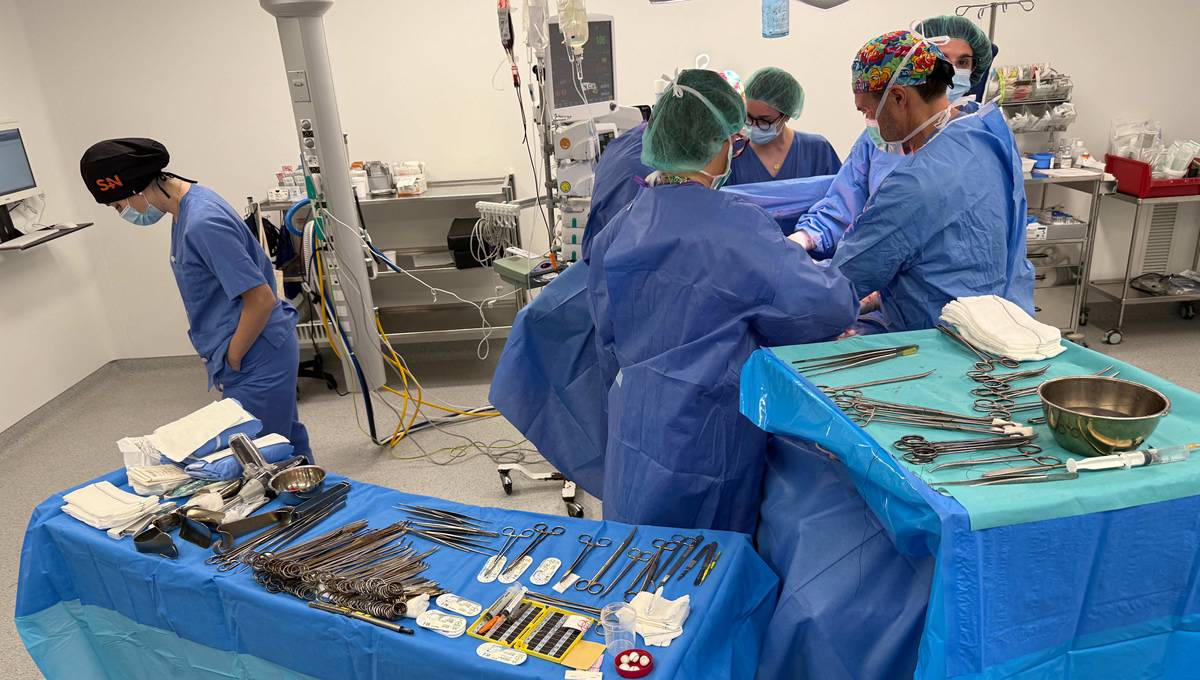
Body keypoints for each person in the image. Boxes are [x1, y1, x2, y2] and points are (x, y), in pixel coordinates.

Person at [587, 69, 858, 533]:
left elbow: (606, 334)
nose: (736, 149)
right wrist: (850, 295)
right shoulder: (735, 226)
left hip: (635, 424)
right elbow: (821, 306)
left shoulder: (621, 226)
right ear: (715, 144)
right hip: (706, 432)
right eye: (733, 140)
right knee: (709, 560)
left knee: (637, 552)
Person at [79, 138, 311, 459]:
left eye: (119, 206)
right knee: (285, 441)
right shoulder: (187, 207)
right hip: (256, 346)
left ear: (134, 188)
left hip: (256, 351)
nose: (124, 214)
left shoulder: (202, 223)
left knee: (260, 455)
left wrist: (234, 356)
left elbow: (260, 299)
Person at [489, 117, 653, 498]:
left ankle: (607, 473)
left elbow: (597, 238)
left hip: (605, 279)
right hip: (618, 286)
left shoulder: (626, 148)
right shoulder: (639, 161)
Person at [831, 31, 1033, 333]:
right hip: (1010, 324)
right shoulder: (987, 132)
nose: (869, 122)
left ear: (898, 97)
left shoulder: (914, 183)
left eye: (867, 111)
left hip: (941, 340)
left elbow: (842, 281)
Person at [790, 15, 998, 259]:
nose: (951, 71)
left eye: (963, 62)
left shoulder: (982, 137)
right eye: (942, 60)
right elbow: (844, 204)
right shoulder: (880, 137)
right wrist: (803, 239)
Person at [728, 67, 841, 186]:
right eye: (748, 117)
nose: (754, 125)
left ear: (787, 115)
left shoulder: (817, 151)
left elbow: (840, 193)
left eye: (764, 121)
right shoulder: (732, 153)